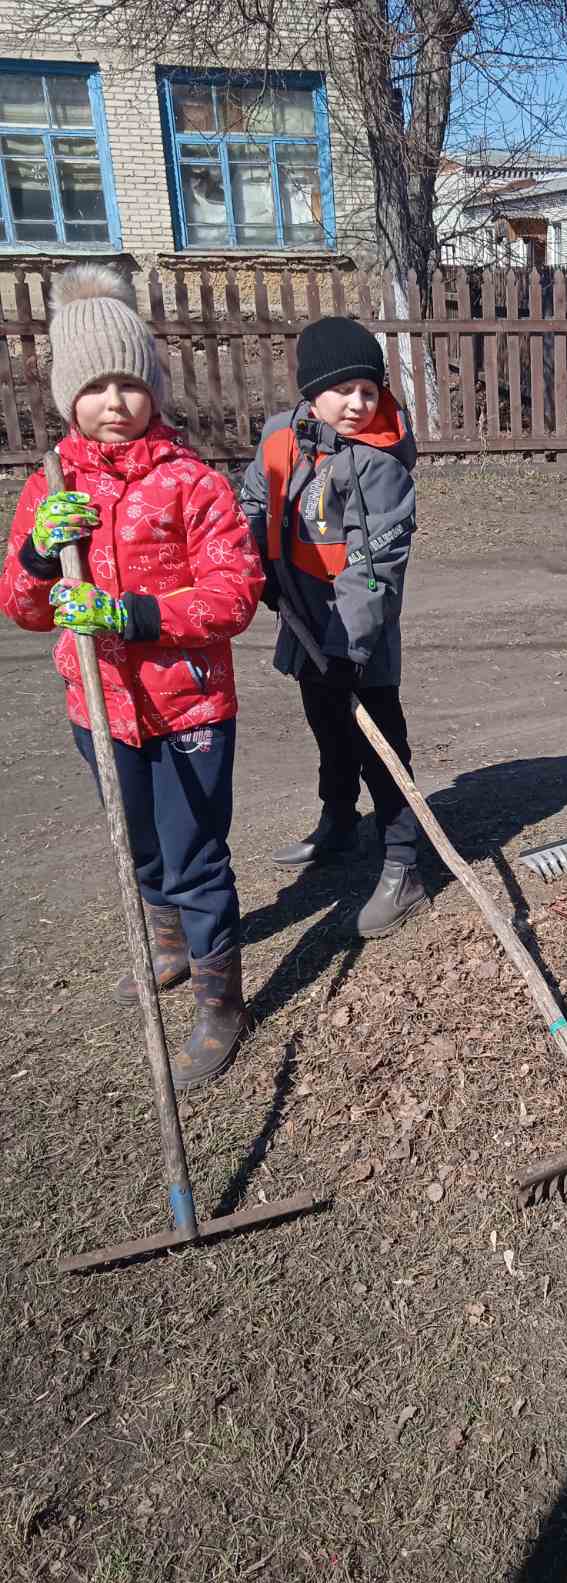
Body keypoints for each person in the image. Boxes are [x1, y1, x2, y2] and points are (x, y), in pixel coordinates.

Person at [0, 266, 264, 1088]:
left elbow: (234, 594)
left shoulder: (192, 483)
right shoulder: (51, 489)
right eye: (94, 386)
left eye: (129, 383)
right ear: (65, 395)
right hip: (100, 710)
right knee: (143, 851)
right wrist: (43, 552)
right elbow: (23, 606)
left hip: (186, 710)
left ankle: (223, 1005)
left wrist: (133, 615)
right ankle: (168, 947)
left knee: (193, 858)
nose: (114, 401)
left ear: (152, 388)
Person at [240, 316, 426, 939]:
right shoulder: (281, 437)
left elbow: (375, 565)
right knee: (325, 725)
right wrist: (253, 562)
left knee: (379, 740)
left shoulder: (379, 467)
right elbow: (252, 505)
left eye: (369, 391)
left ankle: (403, 864)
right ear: (310, 391)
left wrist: (348, 645)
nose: (358, 403)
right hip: (303, 616)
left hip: (357, 630)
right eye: (343, 389)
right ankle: (338, 823)